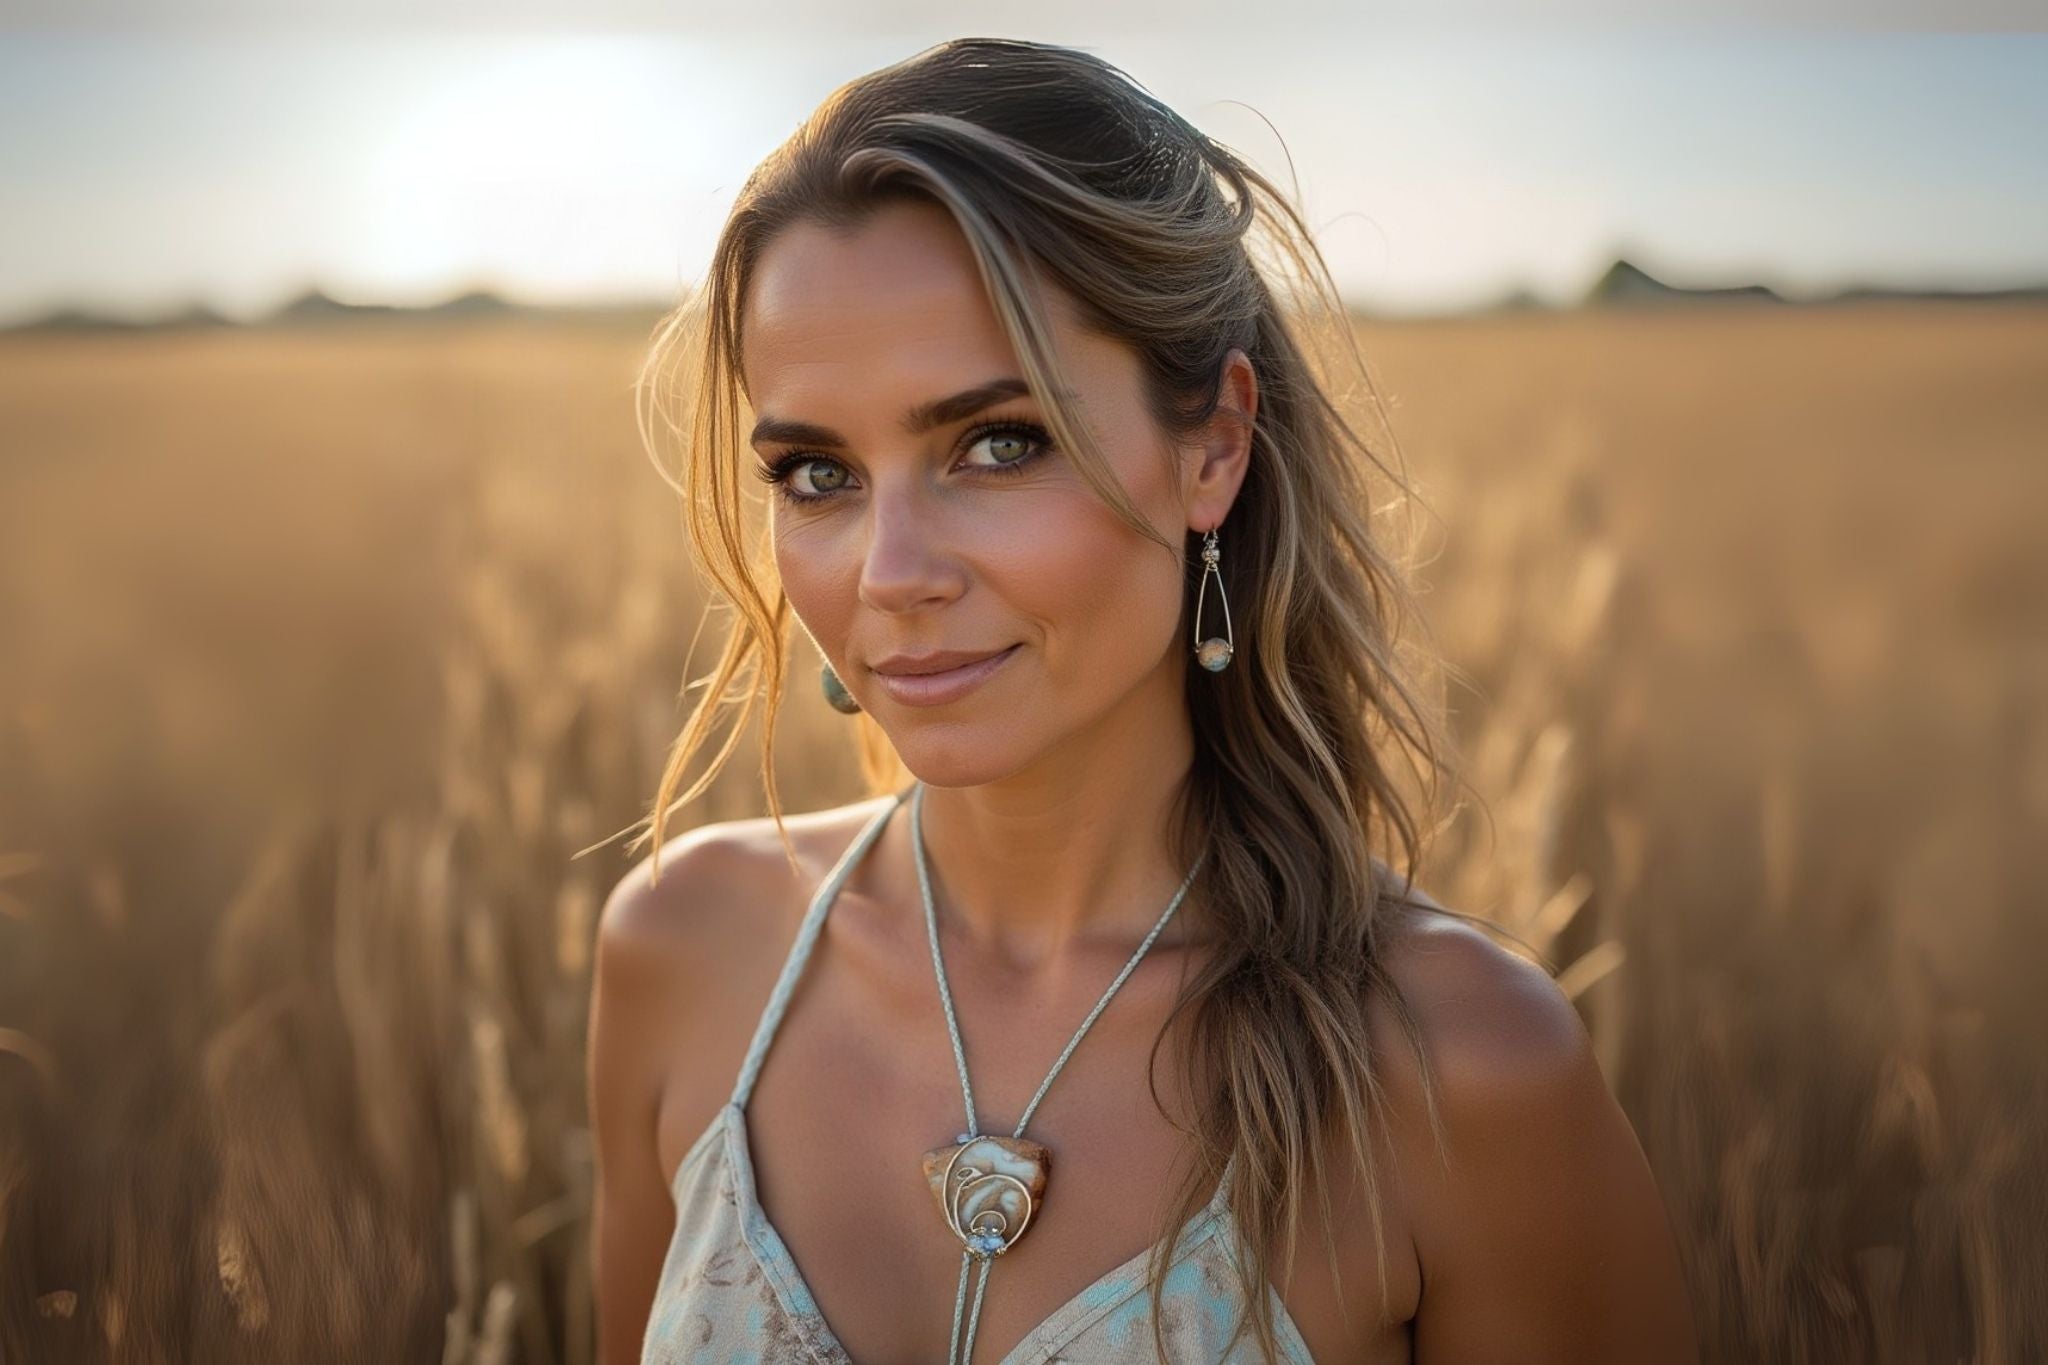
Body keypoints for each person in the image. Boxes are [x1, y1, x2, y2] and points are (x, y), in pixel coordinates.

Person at [587, 35, 1697, 1365]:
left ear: (1214, 446)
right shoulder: (685, 949)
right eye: (818, 474)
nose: (889, 574)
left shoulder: (1461, 1069)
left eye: (999, 444)